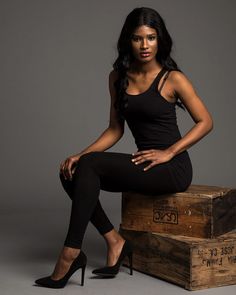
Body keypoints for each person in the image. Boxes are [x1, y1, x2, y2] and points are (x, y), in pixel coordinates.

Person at [34, 6, 213, 289]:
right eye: (138, 38)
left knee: (90, 165)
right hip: (144, 163)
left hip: (172, 168)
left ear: (160, 40)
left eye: (151, 38)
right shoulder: (117, 78)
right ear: (127, 40)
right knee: (73, 168)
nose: (145, 45)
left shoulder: (172, 78)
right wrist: (80, 154)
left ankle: (70, 253)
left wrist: (169, 152)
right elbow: (116, 129)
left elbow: (206, 121)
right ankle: (114, 241)